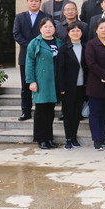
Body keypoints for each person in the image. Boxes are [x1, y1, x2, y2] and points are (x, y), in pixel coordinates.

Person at [13, 0, 52, 121]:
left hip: (43, 56)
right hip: (25, 56)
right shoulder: (20, 17)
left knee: (42, 84)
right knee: (26, 86)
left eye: (36, 1)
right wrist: (31, 46)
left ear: (40, 2)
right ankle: (26, 111)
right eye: (31, 1)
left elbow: (49, 33)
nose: (34, 3)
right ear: (27, 2)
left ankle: (43, 110)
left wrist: (39, 46)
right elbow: (16, 34)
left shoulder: (46, 17)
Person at [25, 17, 61, 149]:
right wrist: (31, 81)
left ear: (54, 28)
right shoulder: (35, 43)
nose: (48, 29)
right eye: (45, 27)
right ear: (40, 29)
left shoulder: (59, 42)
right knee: (41, 111)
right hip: (41, 80)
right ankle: (41, 139)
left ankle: (49, 138)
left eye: (51, 26)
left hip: (54, 80)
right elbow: (29, 63)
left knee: (50, 111)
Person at [85, 19, 105, 151]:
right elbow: (91, 64)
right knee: (95, 113)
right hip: (95, 83)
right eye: (101, 28)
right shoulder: (91, 44)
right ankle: (96, 139)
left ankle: (102, 137)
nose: (104, 30)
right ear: (96, 30)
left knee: (104, 113)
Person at [57, 21, 87, 150]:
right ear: (68, 33)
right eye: (72, 30)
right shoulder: (64, 48)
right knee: (68, 114)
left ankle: (74, 137)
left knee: (77, 114)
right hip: (68, 87)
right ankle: (68, 139)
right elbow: (60, 70)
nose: (75, 33)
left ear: (81, 32)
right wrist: (62, 88)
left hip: (81, 86)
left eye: (78, 30)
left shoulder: (85, 47)